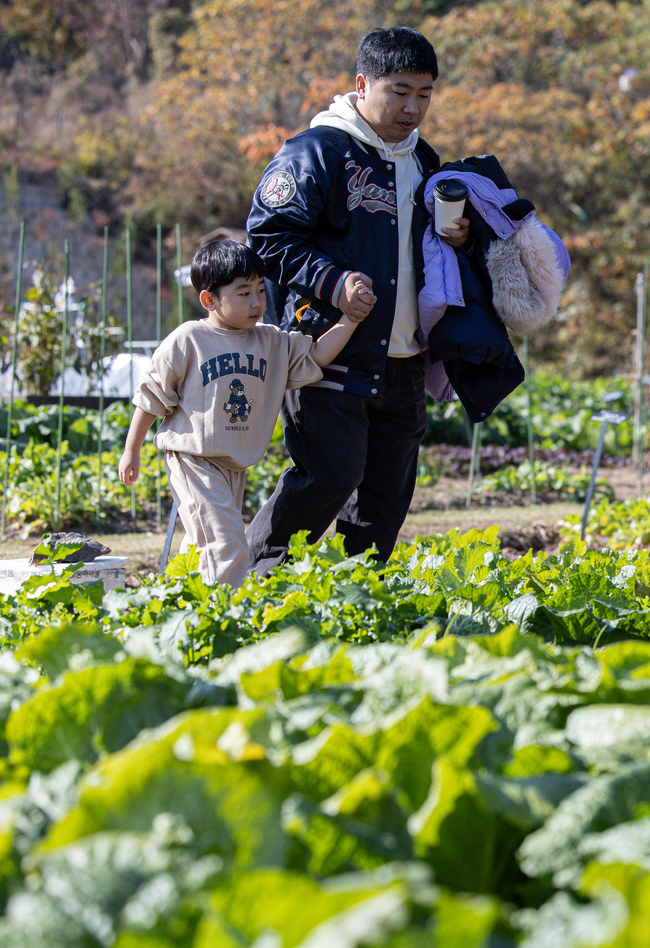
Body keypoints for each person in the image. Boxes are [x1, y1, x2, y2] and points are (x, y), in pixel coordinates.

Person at [244, 26, 466, 573]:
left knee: (384, 501)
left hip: (406, 360)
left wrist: (460, 238)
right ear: (362, 84)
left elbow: (429, 254)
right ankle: (245, 586)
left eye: (425, 93)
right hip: (329, 352)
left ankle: (355, 603)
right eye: (399, 91)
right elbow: (268, 237)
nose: (412, 106)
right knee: (328, 477)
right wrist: (332, 281)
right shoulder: (315, 152)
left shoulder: (428, 163)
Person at [118, 240, 364, 587]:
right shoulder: (190, 339)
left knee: (205, 542)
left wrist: (350, 319)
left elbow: (317, 354)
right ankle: (231, 617)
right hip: (195, 459)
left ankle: (183, 600)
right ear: (210, 300)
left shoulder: (270, 341)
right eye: (243, 293)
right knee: (227, 544)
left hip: (234, 462)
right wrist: (132, 450)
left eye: (260, 290)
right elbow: (151, 396)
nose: (256, 302)